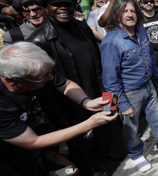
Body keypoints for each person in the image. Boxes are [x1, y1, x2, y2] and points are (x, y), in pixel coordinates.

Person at [0, 42, 117, 175]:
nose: (50, 78)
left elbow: (65, 85)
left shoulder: (37, 69)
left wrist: (86, 102)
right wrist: (90, 124)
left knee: (67, 169)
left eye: (49, 72)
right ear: (11, 81)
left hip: (28, 142)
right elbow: (33, 141)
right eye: (42, 78)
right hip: (8, 157)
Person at [100, 0, 158, 172]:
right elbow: (109, 80)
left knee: (157, 120)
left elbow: (149, 58)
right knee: (131, 128)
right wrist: (123, 104)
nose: (129, 14)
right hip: (129, 92)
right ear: (117, 15)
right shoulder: (111, 41)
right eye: (125, 11)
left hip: (148, 86)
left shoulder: (141, 31)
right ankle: (135, 154)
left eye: (132, 11)